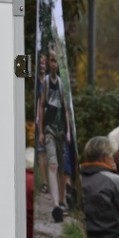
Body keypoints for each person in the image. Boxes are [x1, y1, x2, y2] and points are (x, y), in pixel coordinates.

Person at [35, 49, 69, 222]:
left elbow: (65, 108)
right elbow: (41, 106)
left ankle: (61, 201)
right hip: (48, 129)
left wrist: (68, 130)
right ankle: (55, 204)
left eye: (56, 60)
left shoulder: (62, 84)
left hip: (60, 131)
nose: (53, 64)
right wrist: (41, 131)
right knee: (53, 165)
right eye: (51, 61)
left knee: (62, 169)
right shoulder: (46, 82)